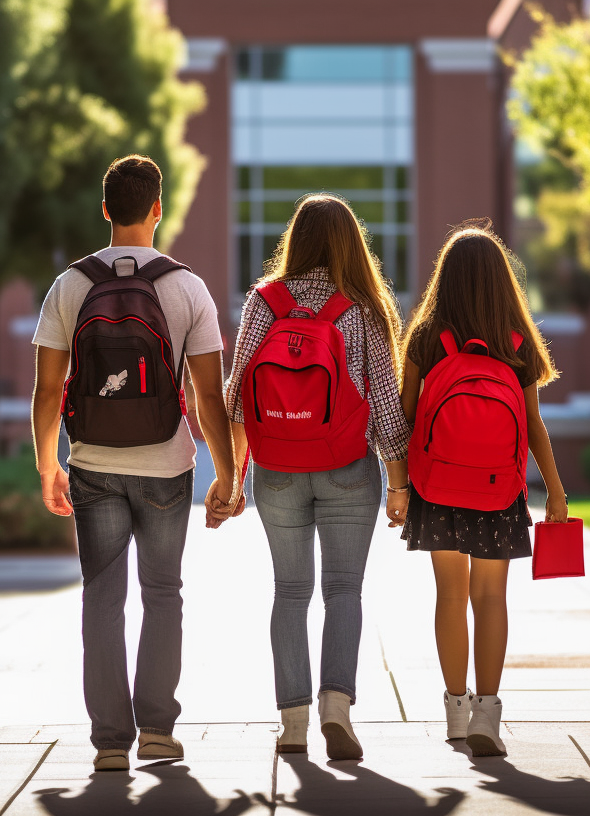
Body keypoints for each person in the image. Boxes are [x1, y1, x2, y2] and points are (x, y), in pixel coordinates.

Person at [30, 154, 238, 773]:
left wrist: (48, 465)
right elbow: (208, 395)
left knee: (102, 597)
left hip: (91, 462)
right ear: (157, 209)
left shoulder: (70, 285)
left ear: (104, 210)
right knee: (163, 593)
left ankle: (110, 743)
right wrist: (227, 475)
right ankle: (157, 731)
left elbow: (47, 391)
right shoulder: (187, 287)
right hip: (167, 465)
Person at [222, 193, 409, 761]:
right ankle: (337, 709)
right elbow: (384, 408)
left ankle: (294, 723)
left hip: (278, 467)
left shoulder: (263, 302)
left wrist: (234, 477)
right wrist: (398, 483)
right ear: (350, 243)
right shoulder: (362, 307)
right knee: (343, 590)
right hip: (347, 467)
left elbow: (235, 399)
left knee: (289, 591)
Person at [398, 225, 567, 758]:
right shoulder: (515, 339)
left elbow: (404, 416)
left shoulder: (426, 336)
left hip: (438, 484)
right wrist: (556, 494)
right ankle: (487, 718)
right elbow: (533, 423)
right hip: (500, 488)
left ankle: (454, 710)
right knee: (491, 597)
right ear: (501, 281)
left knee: (450, 595)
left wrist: (398, 485)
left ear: (444, 280)